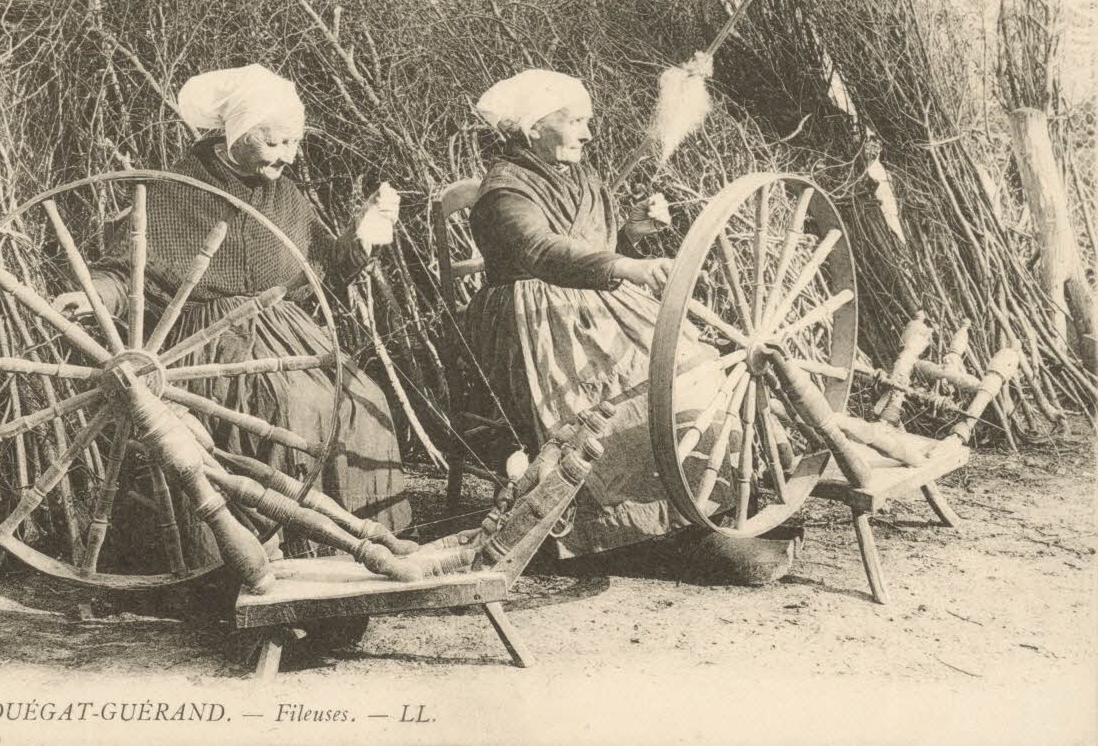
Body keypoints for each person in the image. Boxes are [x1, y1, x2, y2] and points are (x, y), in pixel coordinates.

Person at [54, 65, 411, 562]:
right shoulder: (174, 190)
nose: (287, 155)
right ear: (238, 132)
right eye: (274, 142)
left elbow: (322, 273)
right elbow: (128, 272)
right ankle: (269, 557)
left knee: (358, 400)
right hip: (207, 341)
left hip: (288, 334)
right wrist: (91, 294)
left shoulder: (286, 195)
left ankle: (352, 549)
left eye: (293, 143)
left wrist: (364, 234)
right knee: (287, 407)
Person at [464, 66, 795, 579]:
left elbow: (589, 241)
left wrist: (629, 232)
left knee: (699, 369)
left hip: (597, 302)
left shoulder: (582, 177)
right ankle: (642, 536)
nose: (587, 133)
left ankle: (705, 506)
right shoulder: (502, 191)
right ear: (532, 129)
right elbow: (539, 250)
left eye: (587, 121)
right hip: (536, 319)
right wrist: (628, 267)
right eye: (573, 122)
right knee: (621, 403)